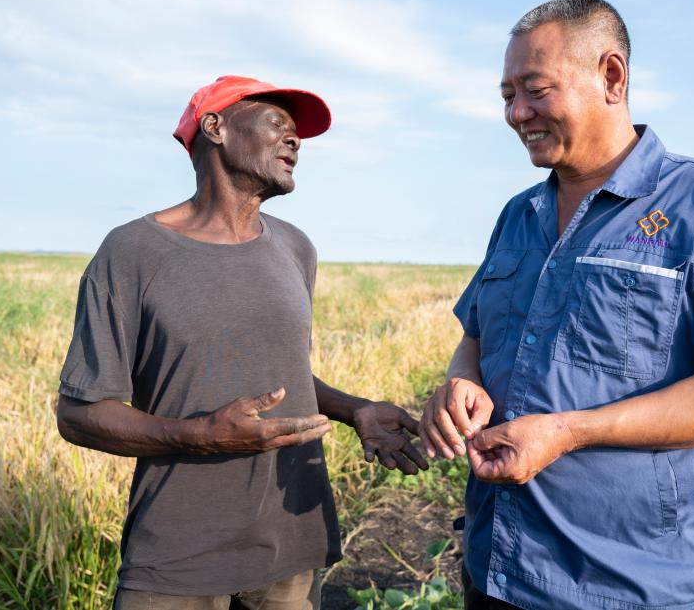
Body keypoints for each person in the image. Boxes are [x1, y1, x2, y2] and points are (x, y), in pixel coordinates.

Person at [419, 0, 694, 610]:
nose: (516, 113)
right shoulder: (518, 214)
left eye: (535, 89)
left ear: (612, 76)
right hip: (496, 572)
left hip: (629, 587)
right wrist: (462, 382)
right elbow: (475, 336)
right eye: (507, 95)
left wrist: (568, 433)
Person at [56, 75, 428, 610]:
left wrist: (357, 410)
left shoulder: (295, 247)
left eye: (298, 133)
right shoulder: (132, 251)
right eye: (278, 123)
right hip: (178, 558)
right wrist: (199, 435)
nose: (295, 140)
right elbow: (79, 414)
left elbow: (282, 376)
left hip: (292, 545)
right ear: (216, 127)